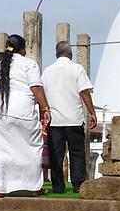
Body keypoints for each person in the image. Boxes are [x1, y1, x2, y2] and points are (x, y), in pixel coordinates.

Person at [0, 34, 52, 198]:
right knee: (32, 149)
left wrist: (0, 93)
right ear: (22, 49)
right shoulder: (29, 64)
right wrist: (45, 108)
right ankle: (34, 187)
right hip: (23, 111)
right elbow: (36, 87)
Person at [42, 41, 98, 194]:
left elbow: (42, 94)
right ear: (70, 54)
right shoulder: (77, 69)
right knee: (76, 152)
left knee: (56, 155)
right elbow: (84, 92)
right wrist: (92, 111)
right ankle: (78, 184)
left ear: (56, 54)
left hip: (55, 119)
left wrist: (43, 113)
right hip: (73, 118)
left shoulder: (47, 71)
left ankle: (57, 186)